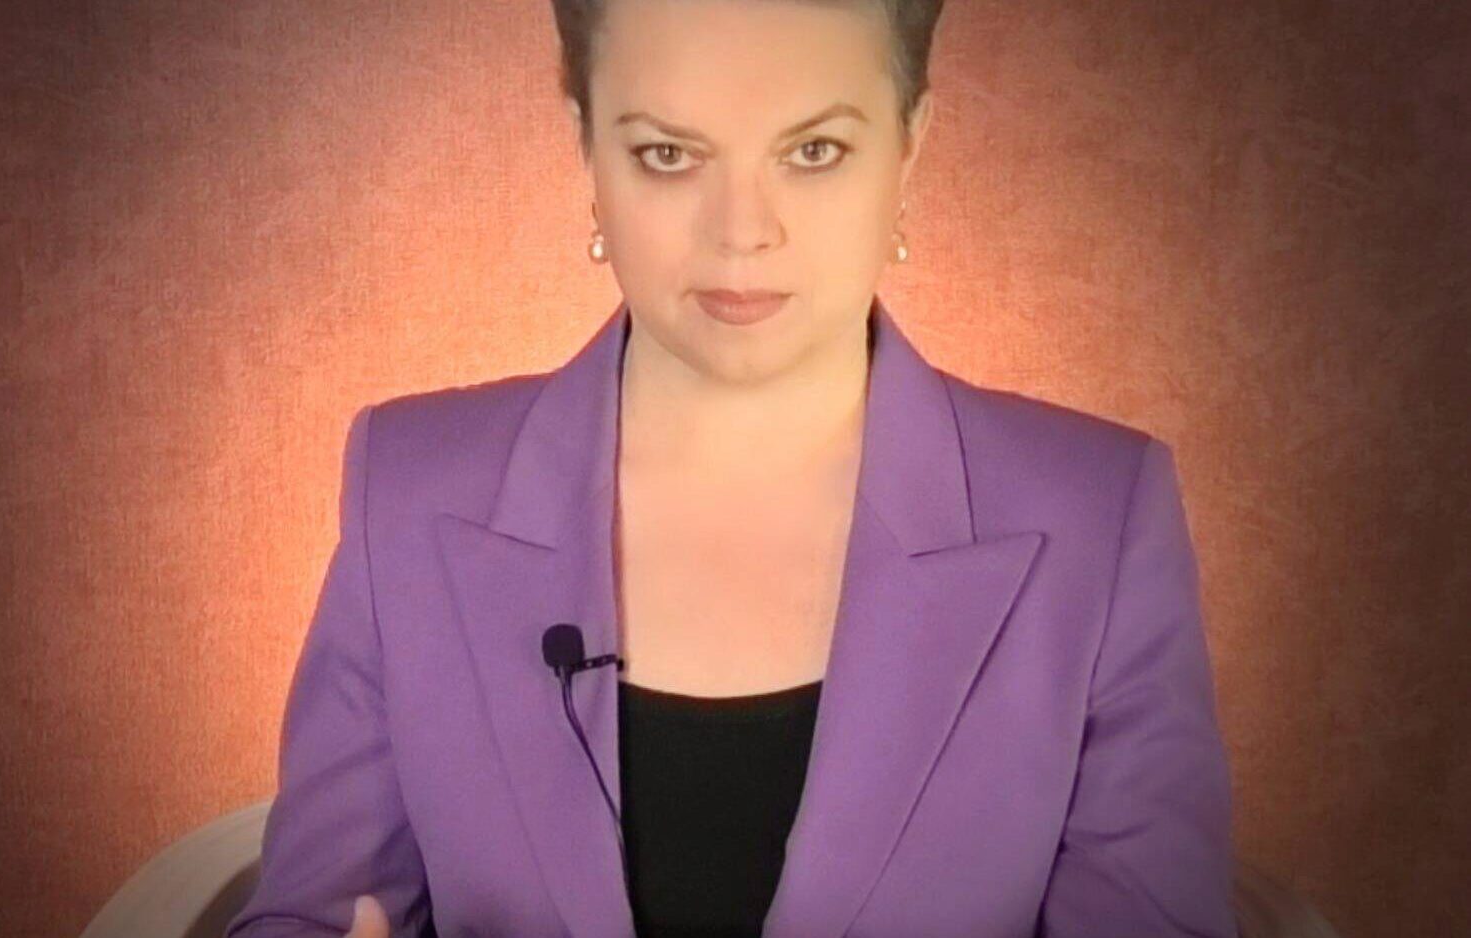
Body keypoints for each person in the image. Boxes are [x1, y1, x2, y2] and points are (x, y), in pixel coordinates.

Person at [225, 0, 1239, 936]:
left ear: (910, 146)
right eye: (668, 154)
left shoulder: (1102, 518)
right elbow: (309, 912)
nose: (742, 232)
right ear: (585, 145)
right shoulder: (406, 488)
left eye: (814, 150)